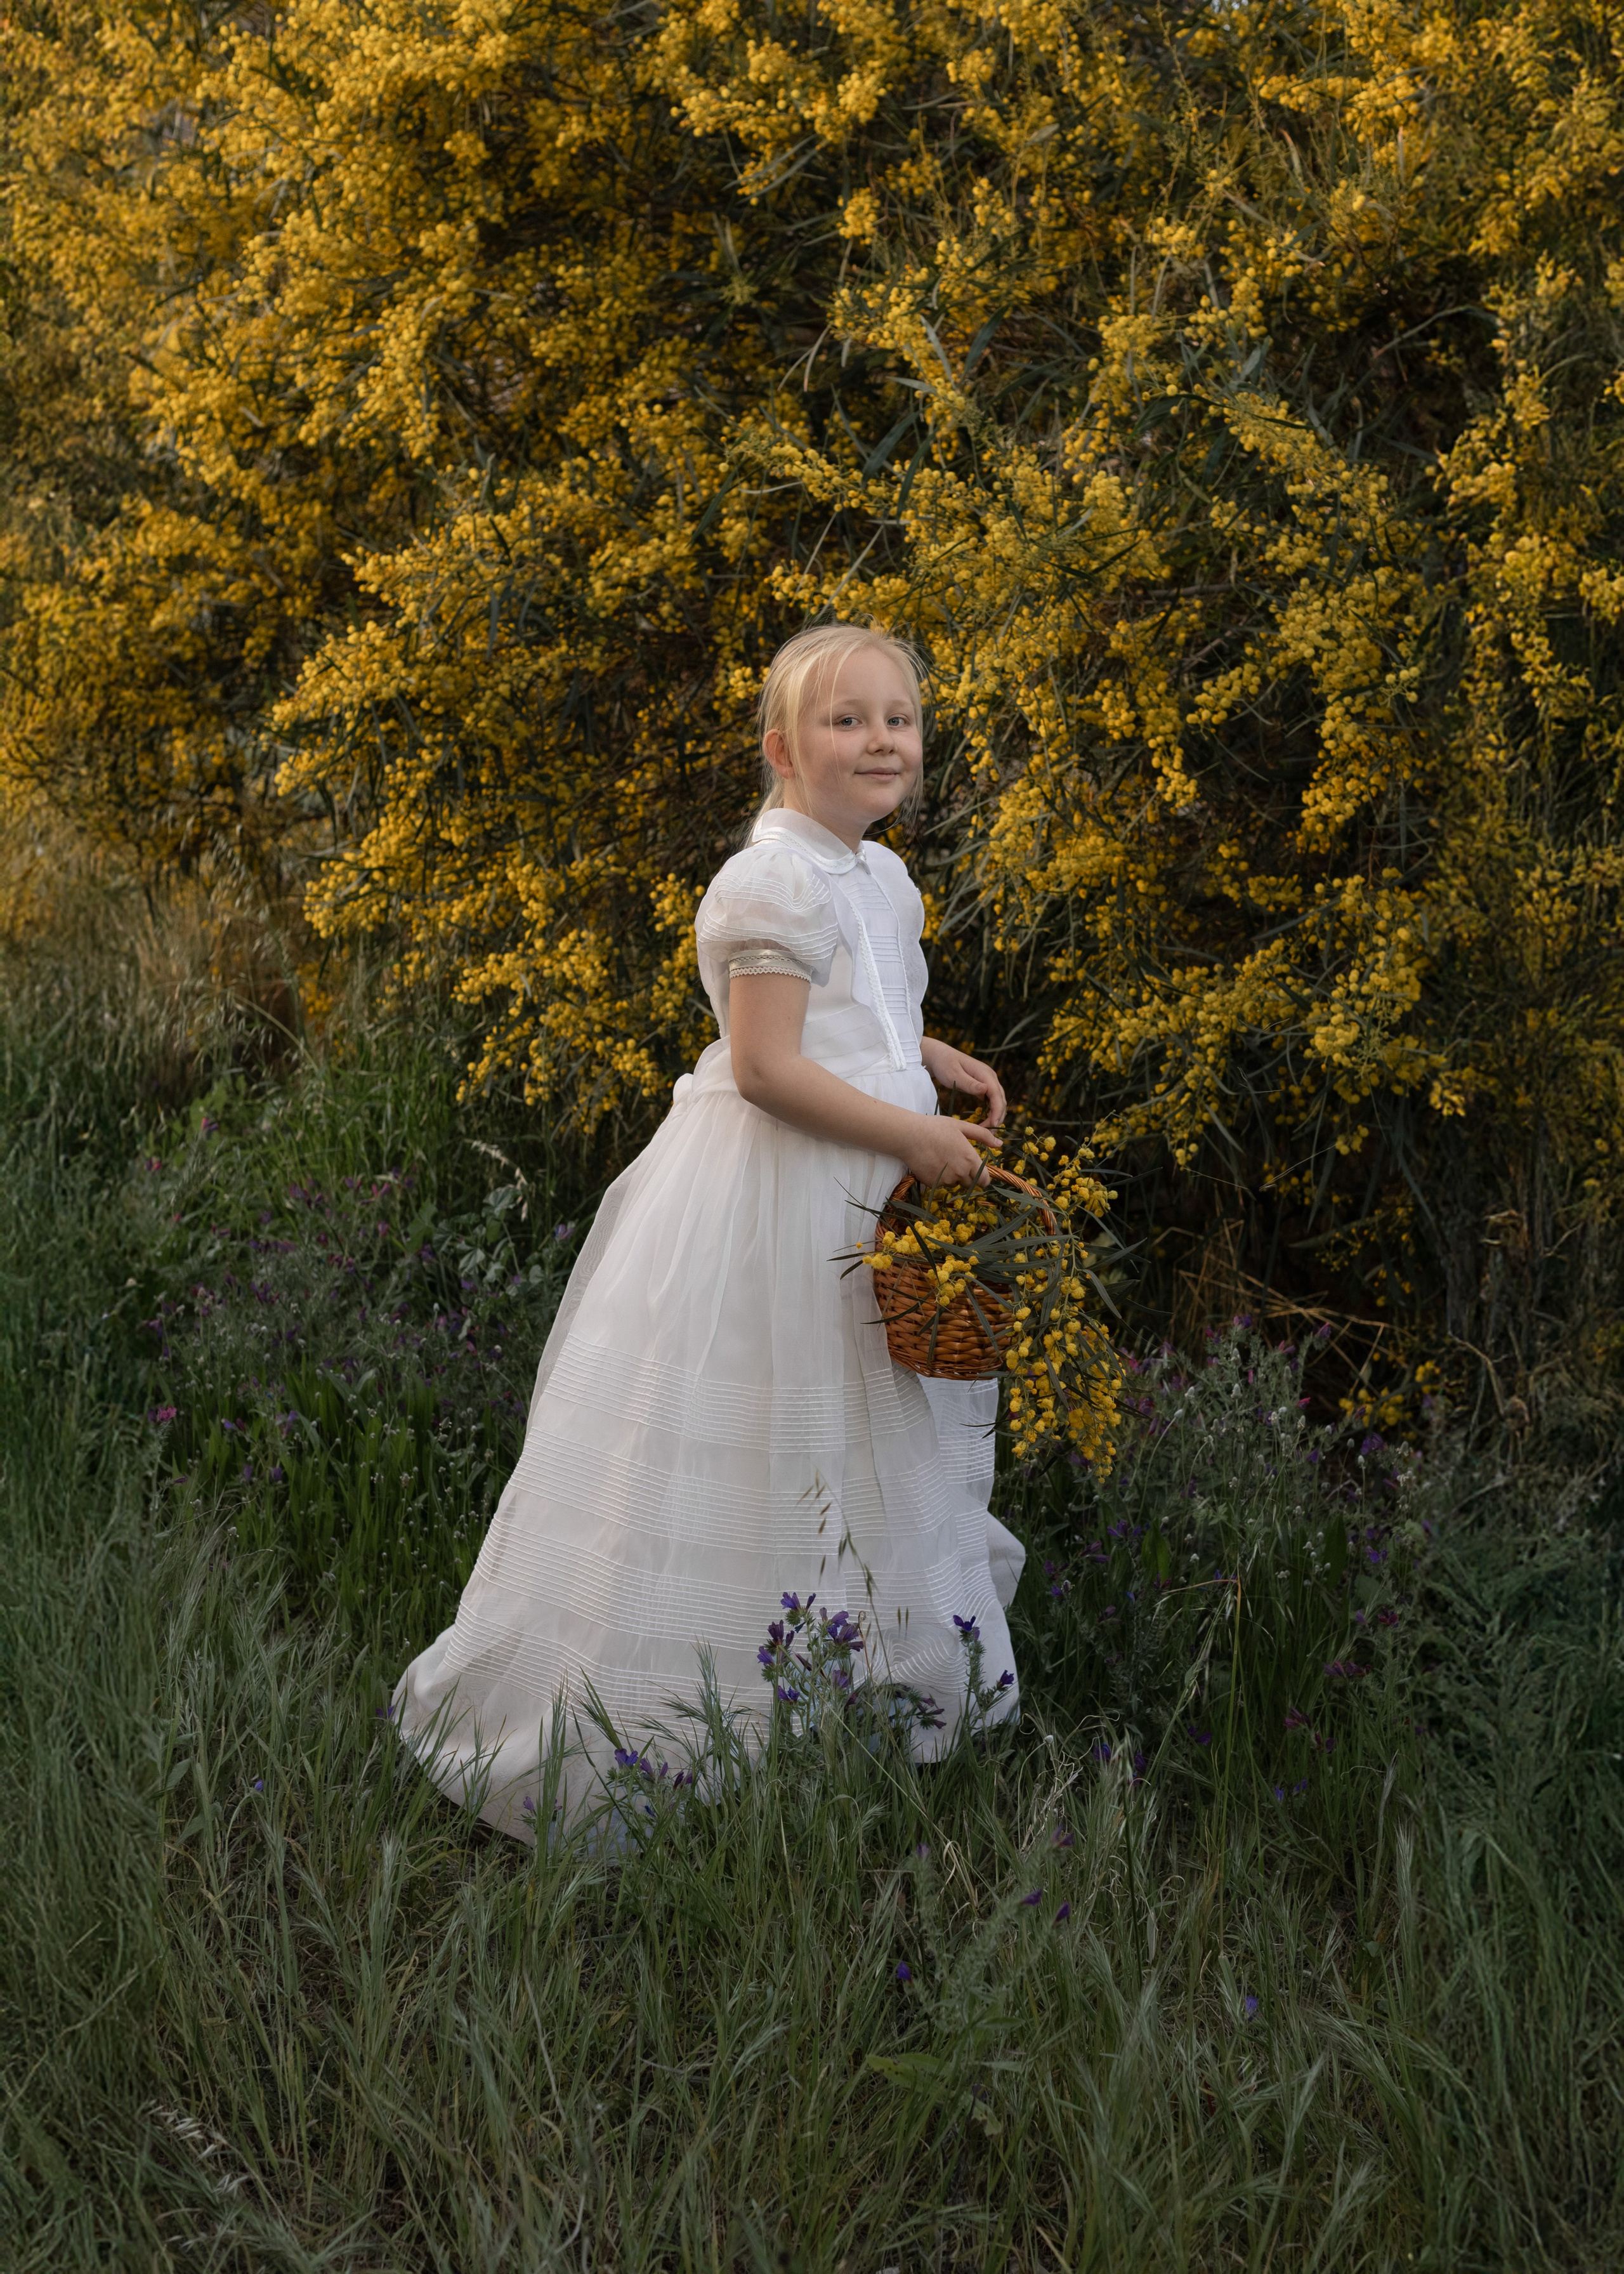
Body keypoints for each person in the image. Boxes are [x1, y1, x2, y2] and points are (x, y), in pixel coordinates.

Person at [393, 622, 1027, 1835]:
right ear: (783, 749)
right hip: (783, 1200)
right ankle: (699, 1733)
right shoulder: (771, 880)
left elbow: (853, 1015)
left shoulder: (877, 875)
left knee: (869, 1440)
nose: (881, 740)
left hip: (866, 1200)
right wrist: (912, 1137)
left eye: (900, 719)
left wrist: (927, 1055)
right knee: (767, 1435)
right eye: (847, 721)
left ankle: (856, 1708)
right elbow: (768, 1067)